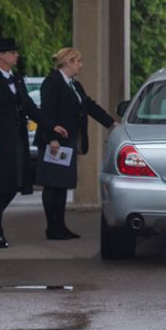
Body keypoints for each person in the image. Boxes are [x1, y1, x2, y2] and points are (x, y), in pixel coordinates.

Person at [0, 38, 63, 248]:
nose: (17, 56)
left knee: (16, 183)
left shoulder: (16, 78)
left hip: (17, 140)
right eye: (12, 52)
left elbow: (29, 106)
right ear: (1, 56)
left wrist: (51, 125)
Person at [38, 47, 114, 240]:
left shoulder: (75, 85)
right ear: (68, 62)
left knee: (62, 183)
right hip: (55, 141)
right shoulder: (51, 83)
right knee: (52, 184)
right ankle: (51, 227)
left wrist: (111, 123)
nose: (81, 65)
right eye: (78, 61)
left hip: (69, 140)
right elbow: (46, 113)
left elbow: (89, 106)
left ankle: (60, 225)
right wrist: (52, 138)